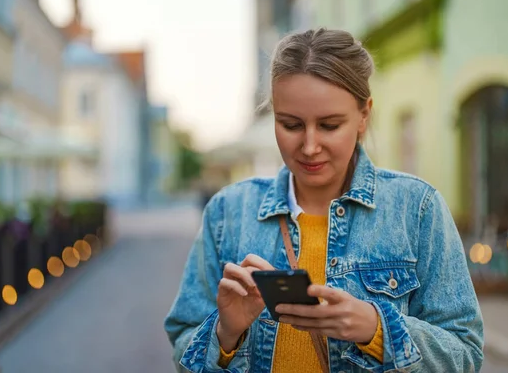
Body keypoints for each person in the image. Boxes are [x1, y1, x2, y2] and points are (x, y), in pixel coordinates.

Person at [164, 28, 484, 373]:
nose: (310, 146)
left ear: (364, 115)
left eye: (330, 125)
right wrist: (226, 334)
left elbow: (465, 355)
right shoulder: (227, 212)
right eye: (291, 124)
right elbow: (184, 346)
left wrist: (377, 329)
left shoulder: (417, 208)